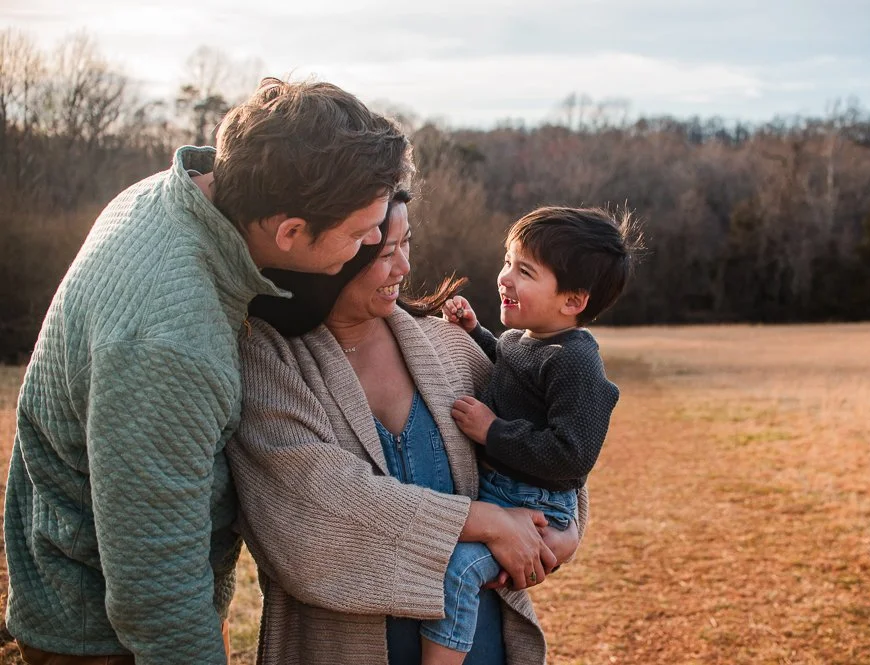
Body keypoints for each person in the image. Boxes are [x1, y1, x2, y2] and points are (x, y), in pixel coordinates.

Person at [3, 78, 412, 665]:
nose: (376, 241)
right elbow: (156, 592)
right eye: (359, 232)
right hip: (100, 637)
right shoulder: (169, 343)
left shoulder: (171, 194)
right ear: (291, 232)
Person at [227, 192, 585, 665]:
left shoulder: (449, 347)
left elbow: (554, 441)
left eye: (406, 244)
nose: (402, 268)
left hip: (484, 646)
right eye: (382, 252)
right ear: (328, 251)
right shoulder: (269, 358)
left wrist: (566, 531)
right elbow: (314, 510)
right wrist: (487, 523)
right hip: (335, 649)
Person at [432, 206, 639, 664]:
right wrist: (474, 332)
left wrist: (492, 432)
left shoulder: (576, 362)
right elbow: (512, 370)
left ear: (572, 301)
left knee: (460, 572)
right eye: (508, 261)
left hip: (536, 506)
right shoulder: (526, 340)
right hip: (505, 494)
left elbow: (572, 455)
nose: (505, 277)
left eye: (524, 271)